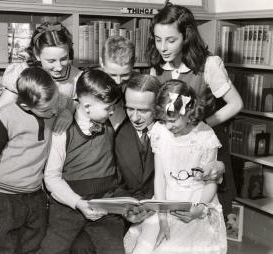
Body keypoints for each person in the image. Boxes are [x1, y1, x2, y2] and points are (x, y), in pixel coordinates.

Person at [147, 2, 243, 215]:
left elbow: (236, 104)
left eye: (171, 40)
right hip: (172, 148)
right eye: (158, 39)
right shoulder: (157, 67)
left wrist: (200, 125)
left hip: (204, 144)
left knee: (204, 205)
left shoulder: (209, 65)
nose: (163, 47)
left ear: (186, 37)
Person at [125, 79, 227, 254]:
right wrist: (162, 215)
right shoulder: (160, 132)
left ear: (189, 111)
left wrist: (200, 209)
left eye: (173, 120)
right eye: (164, 120)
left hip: (196, 203)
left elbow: (211, 181)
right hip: (166, 201)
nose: (168, 126)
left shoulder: (205, 136)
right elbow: (160, 177)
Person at [0, 67, 61, 254]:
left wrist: (66, 112)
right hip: (1, 199)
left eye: (56, 103)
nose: (54, 111)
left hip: (34, 197)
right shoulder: (5, 118)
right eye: (47, 109)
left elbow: (65, 106)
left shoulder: (49, 108)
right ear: (27, 106)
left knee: (32, 247)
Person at [40, 69, 125, 254]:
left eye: (113, 107)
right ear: (86, 107)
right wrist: (78, 202)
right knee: (52, 250)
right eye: (108, 107)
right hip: (68, 206)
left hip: (106, 204)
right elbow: (52, 178)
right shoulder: (62, 130)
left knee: (115, 250)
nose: (112, 112)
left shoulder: (111, 118)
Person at [0, 21, 82, 132]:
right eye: (51, 61)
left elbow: (80, 100)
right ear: (37, 54)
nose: (58, 67)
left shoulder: (76, 76)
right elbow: (0, 113)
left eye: (63, 59)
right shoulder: (21, 73)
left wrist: (69, 111)